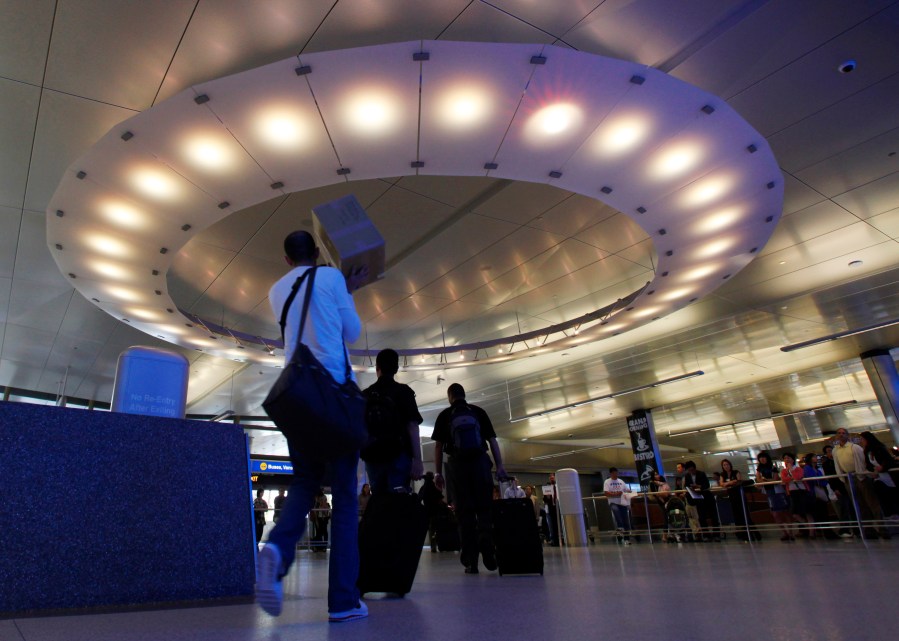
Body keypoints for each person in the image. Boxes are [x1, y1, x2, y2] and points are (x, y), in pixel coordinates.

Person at [256, 229, 369, 622]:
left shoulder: (275, 291)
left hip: (299, 399)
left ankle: (277, 548)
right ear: (318, 251)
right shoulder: (332, 277)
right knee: (344, 497)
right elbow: (350, 333)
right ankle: (342, 601)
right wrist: (347, 290)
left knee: (304, 483)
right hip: (333, 396)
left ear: (286, 260)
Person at [431, 382, 507, 575]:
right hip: (480, 464)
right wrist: (500, 467)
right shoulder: (478, 412)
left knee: (464, 514)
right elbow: (492, 441)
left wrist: (438, 473)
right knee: (484, 509)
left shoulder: (444, 416)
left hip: (458, 467)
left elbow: (439, 447)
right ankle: (488, 549)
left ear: (450, 397)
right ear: (464, 395)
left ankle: (470, 561)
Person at [361, 348, 424, 494]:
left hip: (373, 456)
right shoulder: (404, 392)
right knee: (399, 504)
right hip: (399, 455)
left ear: (377, 368)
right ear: (396, 368)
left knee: (379, 502)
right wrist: (418, 459)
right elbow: (412, 426)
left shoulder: (366, 395)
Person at [833, 428, 890, 539]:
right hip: (848, 478)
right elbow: (838, 464)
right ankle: (869, 530)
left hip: (861, 476)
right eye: (839, 433)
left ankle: (883, 529)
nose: (841, 435)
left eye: (843, 433)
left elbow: (862, 461)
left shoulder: (855, 448)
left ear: (847, 436)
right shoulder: (836, 450)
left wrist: (864, 473)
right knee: (859, 505)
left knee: (872, 503)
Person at [860, 431, 898, 520]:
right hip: (879, 478)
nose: (861, 441)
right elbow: (869, 465)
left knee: (892, 495)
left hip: (888, 476)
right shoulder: (867, 451)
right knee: (883, 496)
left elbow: (889, 461)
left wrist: (882, 467)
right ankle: (890, 514)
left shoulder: (879, 448)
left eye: (862, 439)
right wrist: (872, 471)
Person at [719, 459, 759, 541]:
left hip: (739, 495)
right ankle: (743, 534)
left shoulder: (736, 472)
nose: (726, 466)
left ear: (730, 465)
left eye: (727, 464)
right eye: (724, 465)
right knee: (737, 515)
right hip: (732, 496)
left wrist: (730, 483)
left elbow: (738, 481)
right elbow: (722, 484)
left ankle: (754, 533)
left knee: (745, 514)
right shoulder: (723, 474)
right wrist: (731, 482)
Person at [756, 451, 792, 541]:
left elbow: (775, 479)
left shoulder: (773, 467)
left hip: (777, 491)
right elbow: (758, 479)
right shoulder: (759, 469)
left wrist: (764, 480)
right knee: (775, 513)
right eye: (761, 458)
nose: (762, 459)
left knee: (784, 511)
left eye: (764, 457)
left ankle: (790, 532)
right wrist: (765, 481)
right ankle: (785, 532)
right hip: (769, 492)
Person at [821, 443, 855, 538]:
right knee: (844, 508)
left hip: (846, 485)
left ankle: (855, 529)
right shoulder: (827, 464)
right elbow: (831, 478)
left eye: (831, 450)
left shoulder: (839, 460)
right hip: (839, 487)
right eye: (828, 452)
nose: (831, 452)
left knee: (851, 507)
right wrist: (835, 488)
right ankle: (845, 529)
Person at [682, 461, 720, 541]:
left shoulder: (702, 474)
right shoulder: (687, 476)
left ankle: (716, 534)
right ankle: (706, 535)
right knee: (701, 517)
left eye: (692, 470)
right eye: (689, 470)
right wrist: (691, 489)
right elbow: (686, 486)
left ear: (695, 468)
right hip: (698, 498)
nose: (691, 472)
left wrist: (699, 486)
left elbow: (706, 485)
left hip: (707, 497)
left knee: (713, 516)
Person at [803, 453, 836, 539]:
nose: (816, 458)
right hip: (814, 493)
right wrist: (820, 481)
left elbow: (823, 481)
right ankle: (825, 531)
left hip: (819, 491)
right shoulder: (808, 469)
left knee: (823, 512)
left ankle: (826, 531)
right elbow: (812, 480)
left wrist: (822, 481)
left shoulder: (817, 470)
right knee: (820, 512)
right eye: (814, 457)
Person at [780, 453, 812, 539]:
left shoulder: (798, 469)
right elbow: (784, 479)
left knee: (807, 511)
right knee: (794, 513)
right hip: (792, 492)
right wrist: (792, 477)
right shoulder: (784, 471)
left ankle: (812, 532)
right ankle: (807, 526)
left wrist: (791, 471)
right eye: (785, 458)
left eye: (788, 458)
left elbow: (798, 477)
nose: (787, 460)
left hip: (802, 491)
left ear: (793, 459)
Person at [604, 467, 632, 544]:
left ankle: (627, 538)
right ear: (611, 474)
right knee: (616, 512)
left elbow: (626, 490)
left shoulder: (621, 481)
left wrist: (630, 491)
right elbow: (606, 493)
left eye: (617, 473)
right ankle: (620, 528)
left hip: (622, 502)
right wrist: (616, 494)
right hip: (613, 502)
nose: (616, 474)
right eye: (614, 473)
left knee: (626, 520)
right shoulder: (607, 482)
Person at [418, 472, 445, 552]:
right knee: (437, 529)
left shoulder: (424, 487)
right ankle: (439, 545)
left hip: (427, 511)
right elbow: (440, 498)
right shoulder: (433, 487)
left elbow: (419, 498)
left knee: (431, 530)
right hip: (435, 511)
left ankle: (433, 546)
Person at [649, 471, 671, 541]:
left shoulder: (663, 481)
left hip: (668, 500)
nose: (657, 476)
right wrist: (662, 499)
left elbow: (668, 491)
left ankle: (671, 534)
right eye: (655, 475)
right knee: (665, 518)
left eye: (657, 474)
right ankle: (664, 535)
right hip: (660, 502)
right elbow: (655, 494)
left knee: (670, 516)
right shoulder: (652, 483)